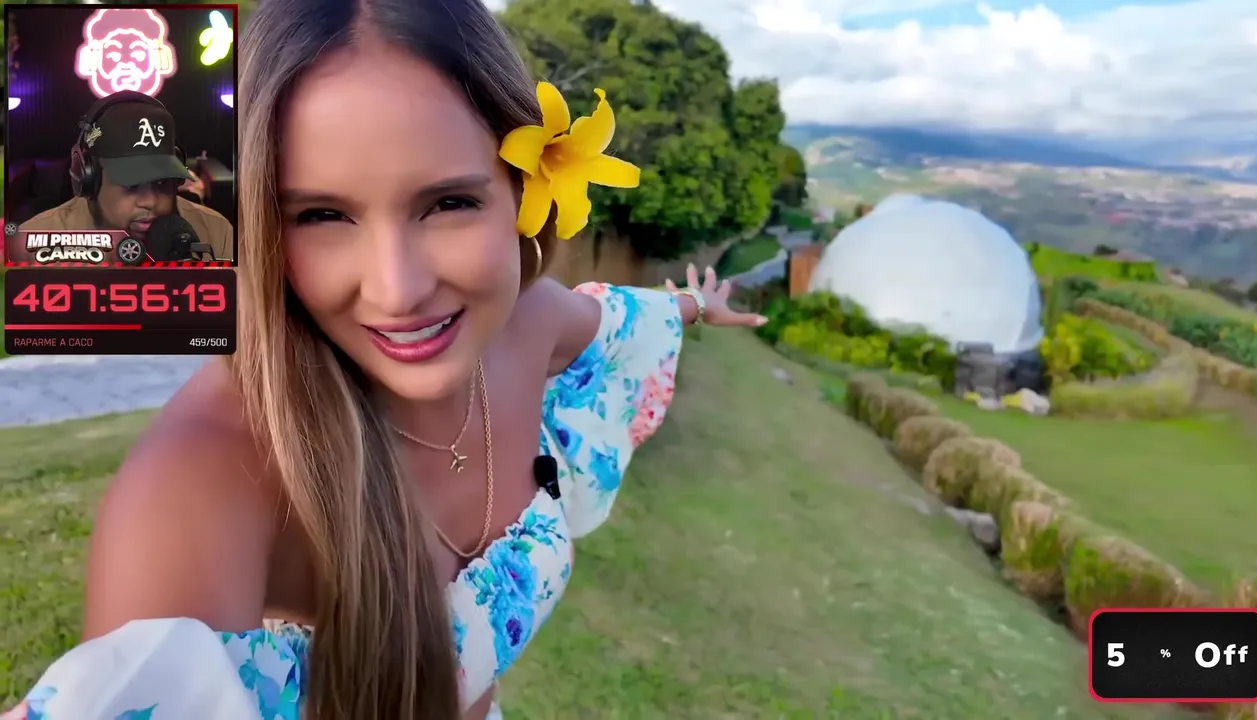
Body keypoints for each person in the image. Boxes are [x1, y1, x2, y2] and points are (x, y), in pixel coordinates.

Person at [1, 1, 767, 719]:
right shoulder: (203, 481)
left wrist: (700, 305)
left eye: (448, 203)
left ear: (523, 190)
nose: (397, 291)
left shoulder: (532, 322)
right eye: (321, 215)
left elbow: (628, 317)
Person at [19, 90, 234, 262]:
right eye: (132, 184)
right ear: (88, 178)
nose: (150, 201)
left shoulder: (216, 231)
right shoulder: (34, 241)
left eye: (161, 181)